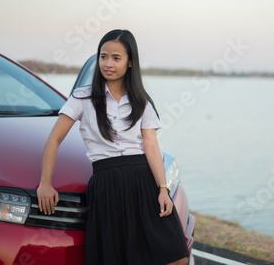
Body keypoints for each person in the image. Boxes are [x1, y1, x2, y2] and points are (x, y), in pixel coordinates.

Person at [37, 29, 189, 265]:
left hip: (143, 182)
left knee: (176, 255)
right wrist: (45, 184)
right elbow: (53, 140)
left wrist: (162, 189)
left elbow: (151, 147)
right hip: (107, 184)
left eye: (116, 58)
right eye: (103, 56)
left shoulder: (141, 101)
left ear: (130, 62)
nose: (108, 63)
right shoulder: (82, 98)